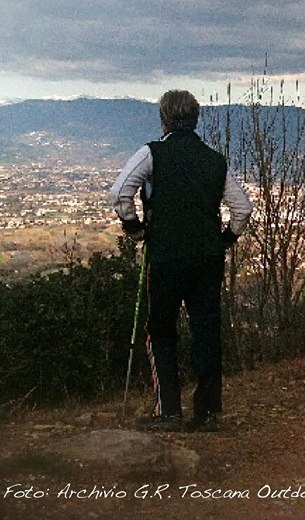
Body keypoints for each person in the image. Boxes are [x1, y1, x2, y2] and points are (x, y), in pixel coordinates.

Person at [109, 90, 252, 433]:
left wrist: (134, 228)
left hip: (166, 255)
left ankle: (169, 409)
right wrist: (226, 238)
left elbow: (119, 192)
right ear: (196, 118)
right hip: (207, 258)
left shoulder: (153, 153)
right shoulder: (214, 160)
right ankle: (206, 412)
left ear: (164, 119)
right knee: (206, 328)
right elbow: (242, 208)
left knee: (160, 329)